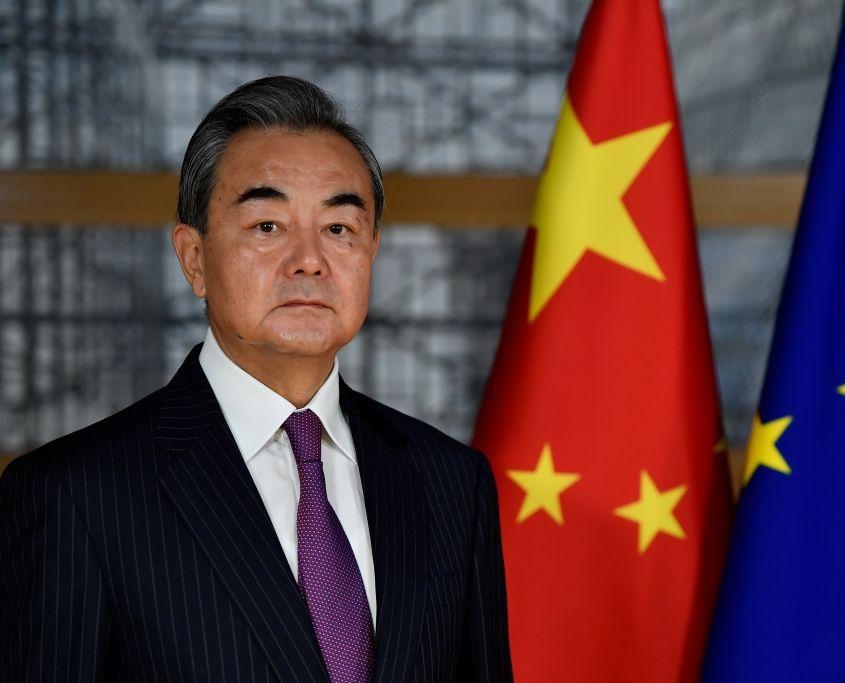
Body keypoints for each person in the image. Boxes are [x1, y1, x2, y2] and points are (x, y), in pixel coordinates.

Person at [0, 75, 512, 682]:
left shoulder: (453, 483)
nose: (309, 259)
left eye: (339, 228)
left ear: (372, 248)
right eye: (267, 226)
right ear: (194, 258)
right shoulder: (75, 494)